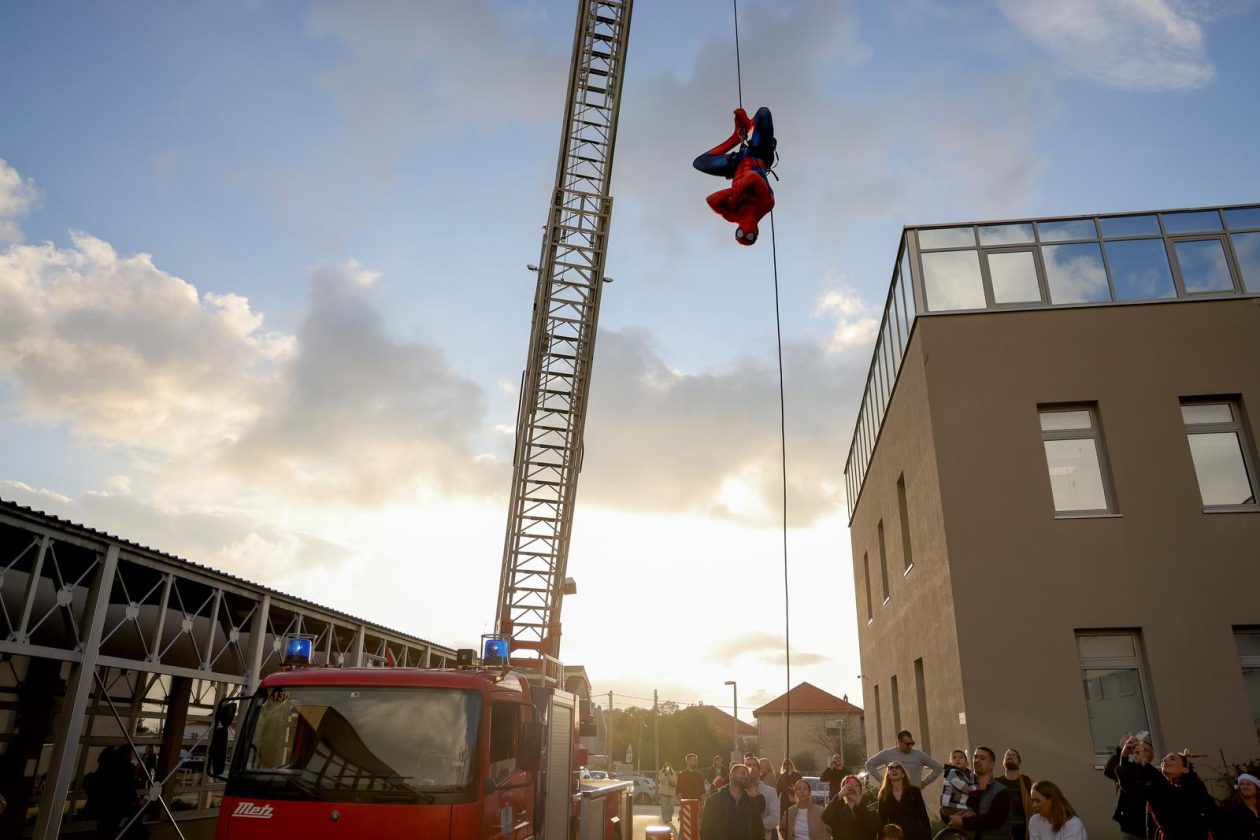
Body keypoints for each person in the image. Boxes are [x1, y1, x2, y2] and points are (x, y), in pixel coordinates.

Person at [692, 106, 776, 246]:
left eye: (740, 234)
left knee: (700, 162)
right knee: (763, 113)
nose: (745, 230)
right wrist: (735, 197)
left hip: (737, 163)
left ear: (737, 230)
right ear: (756, 232)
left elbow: (711, 200)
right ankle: (750, 124)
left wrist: (731, 196)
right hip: (759, 154)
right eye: (749, 235)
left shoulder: (732, 215)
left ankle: (735, 138)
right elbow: (752, 178)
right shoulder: (766, 204)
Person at [1115, 737, 1216, 840]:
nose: (1164, 760)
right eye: (1164, 758)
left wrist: (1145, 763)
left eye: (1172, 758)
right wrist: (1124, 754)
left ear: (1185, 769)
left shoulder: (1193, 787)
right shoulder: (1158, 787)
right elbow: (1128, 785)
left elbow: (1170, 792)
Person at [948, 747, 1015, 840]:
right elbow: (947, 807)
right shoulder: (963, 785)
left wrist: (963, 821)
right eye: (975, 757)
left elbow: (994, 819)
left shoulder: (1001, 791)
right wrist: (951, 816)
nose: (977, 760)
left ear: (991, 764)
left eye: (982, 758)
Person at [1105, 736, 1154, 840]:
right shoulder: (1126, 768)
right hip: (1127, 826)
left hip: (1146, 827)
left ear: (1152, 757)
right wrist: (1120, 748)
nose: (1140, 751)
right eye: (1138, 749)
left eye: (1145, 750)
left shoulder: (1154, 774)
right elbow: (1109, 771)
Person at [700, 763, 764, 840]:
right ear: (731, 776)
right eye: (742, 773)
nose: (746, 776)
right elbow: (705, 831)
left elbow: (759, 832)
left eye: (748, 775)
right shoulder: (714, 801)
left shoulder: (751, 804)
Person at [865, 731, 943, 789]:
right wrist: (883, 782)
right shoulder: (887, 754)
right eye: (907, 744)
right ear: (898, 742)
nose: (910, 746)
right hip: (893, 795)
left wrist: (924, 783)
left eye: (912, 743)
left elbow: (938, 767)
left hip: (914, 796)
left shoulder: (919, 755)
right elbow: (869, 764)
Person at [876, 762, 932, 840]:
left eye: (897, 767)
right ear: (888, 774)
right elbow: (882, 819)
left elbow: (923, 817)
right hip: (894, 837)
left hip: (914, 835)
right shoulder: (884, 794)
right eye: (891, 768)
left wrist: (927, 837)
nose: (894, 770)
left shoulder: (914, 791)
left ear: (903, 773)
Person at [822, 775, 882, 840]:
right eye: (848, 785)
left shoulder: (870, 811)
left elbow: (875, 827)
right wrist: (839, 795)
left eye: (856, 785)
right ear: (843, 790)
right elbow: (825, 817)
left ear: (861, 790)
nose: (852, 788)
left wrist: (858, 802)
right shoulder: (837, 813)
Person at [997, 748, 1034, 840]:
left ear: (1019, 763)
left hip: (1023, 829)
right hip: (1002, 830)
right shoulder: (995, 783)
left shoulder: (1028, 782)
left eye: (1013, 755)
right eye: (1007, 754)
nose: (1010, 756)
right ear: (1003, 761)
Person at [1215, 772, 1259, 840]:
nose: (1245, 787)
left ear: (1256, 787)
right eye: (1241, 784)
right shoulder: (1231, 810)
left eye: (1249, 784)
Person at [941, 748, 976, 822]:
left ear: (967, 763)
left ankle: (956, 830)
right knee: (972, 817)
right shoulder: (953, 772)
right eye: (954, 758)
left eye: (961, 757)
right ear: (950, 763)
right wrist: (976, 790)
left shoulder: (968, 774)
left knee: (965, 819)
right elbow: (966, 788)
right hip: (950, 805)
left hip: (957, 805)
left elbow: (973, 783)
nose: (957, 759)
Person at [756, 758, 781, 839]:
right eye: (760, 766)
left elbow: (765, 791)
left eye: (763, 766)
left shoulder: (769, 776)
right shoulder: (763, 776)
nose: (762, 768)